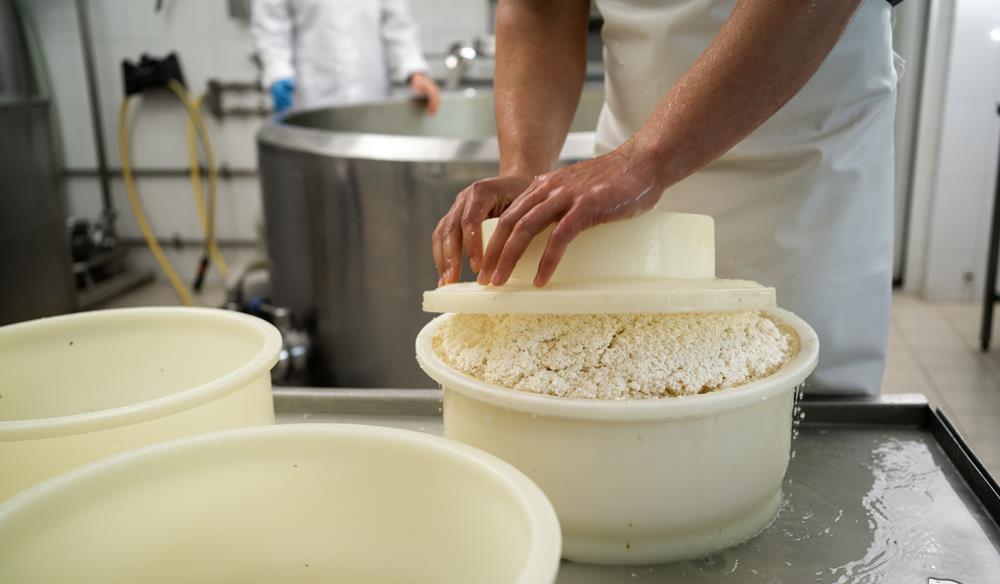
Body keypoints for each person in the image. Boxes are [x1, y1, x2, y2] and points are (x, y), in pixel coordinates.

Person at [432, 0, 901, 395]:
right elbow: (543, 8)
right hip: (619, 174)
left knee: (797, 402)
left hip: (800, 171)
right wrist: (524, 169)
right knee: (613, 403)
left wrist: (646, 163)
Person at [252, 0, 440, 114]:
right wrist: (278, 72)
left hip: (371, 94)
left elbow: (398, 23)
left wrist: (415, 72)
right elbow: (272, 27)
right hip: (311, 95)